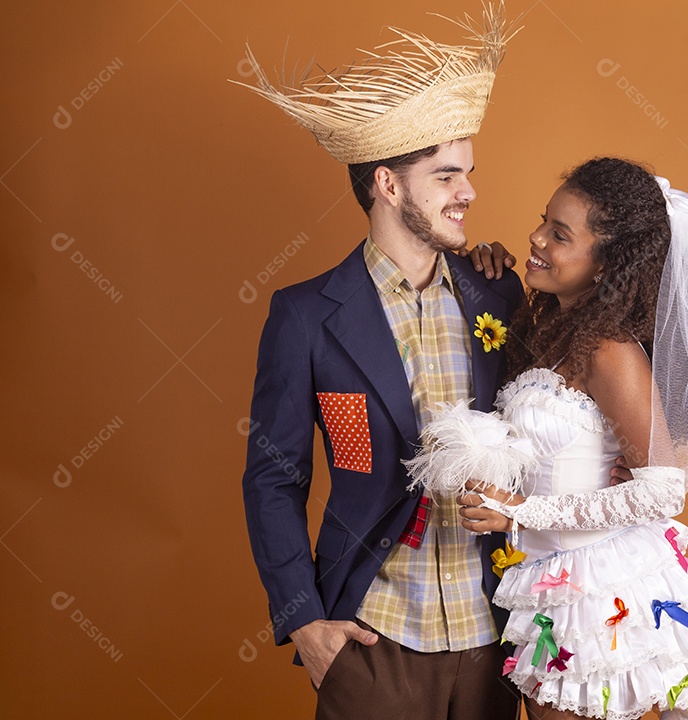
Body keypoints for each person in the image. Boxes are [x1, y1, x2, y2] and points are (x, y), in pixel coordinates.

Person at [235, 8, 553, 720]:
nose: (467, 192)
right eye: (446, 176)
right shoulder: (305, 315)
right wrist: (306, 625)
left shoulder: (495, 289)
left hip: (492, 639)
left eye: (468, 174)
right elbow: (273, 479)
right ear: (388, 184)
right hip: (372, 642)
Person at [453, 158, 688, 720]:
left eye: (560, 235)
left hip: (595, 587)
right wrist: (481, 269)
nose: (536, 238)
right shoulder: (552, 327)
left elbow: (664, 492)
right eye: (544, 221)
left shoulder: (609, 351)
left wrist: (523, 511)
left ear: (605, 266)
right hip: (546, 579)